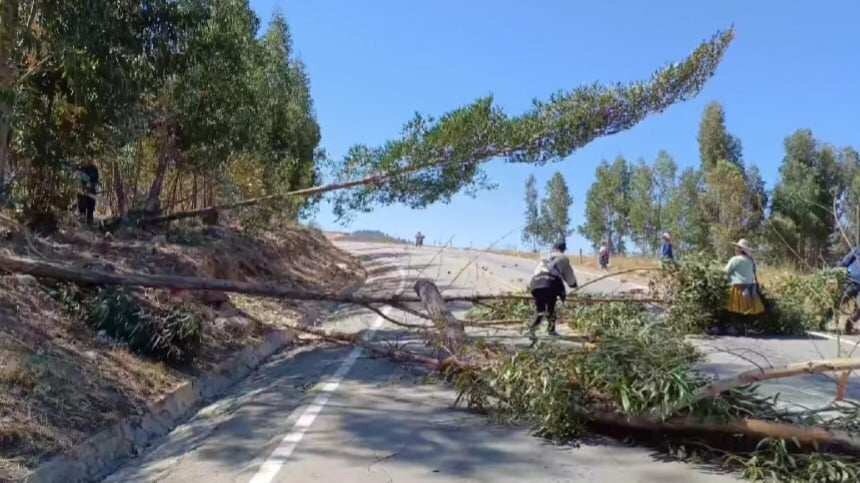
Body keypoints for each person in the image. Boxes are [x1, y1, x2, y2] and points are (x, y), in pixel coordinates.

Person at [527, 240, 578, 340]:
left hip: (536, 283)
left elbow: (537, 271)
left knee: (540, 309)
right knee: (551, 308)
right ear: (563, 249)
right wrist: (573, 284)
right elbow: (568, 274)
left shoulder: (545, 256)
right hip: (550, 283)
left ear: (554, 247)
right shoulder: (563, 258)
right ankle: (551, 330)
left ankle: (532, 330)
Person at [724, 238, 765, 316]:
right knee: (748, 310)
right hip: (750, 287)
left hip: (738, 288)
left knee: (735, 310)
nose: (735, 249)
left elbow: (725, 271)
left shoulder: (735, 259)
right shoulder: (751, 261)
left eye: (737, 247)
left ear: (739, 249)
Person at [837, 246, 860, 333]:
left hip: (852, 280)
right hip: (852, 280)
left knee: (841, 300)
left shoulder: (857, 250)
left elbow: (844, 262)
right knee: (842, 300)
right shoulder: (857, 250)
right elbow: (844, 262)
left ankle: (849, 324)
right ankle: (848, 324)